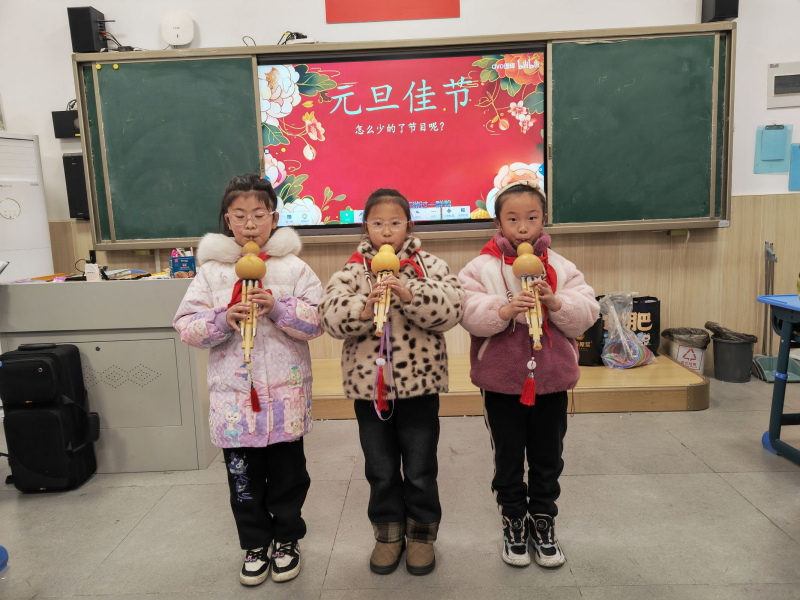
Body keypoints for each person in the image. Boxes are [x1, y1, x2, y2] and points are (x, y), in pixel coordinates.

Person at [173, 174, 323, 586]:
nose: (250, 223)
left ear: (274, 218)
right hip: (234, 404)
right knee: (243, 481)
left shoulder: (294, 267)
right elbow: (186, 327)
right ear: (228, 220)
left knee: (290, 478)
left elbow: (317, 322)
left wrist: (278, 307)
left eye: (259, 214)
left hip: (285, 401)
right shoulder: (211, 273)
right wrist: (223, 319)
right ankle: (255, 544)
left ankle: (287, 540)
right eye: (240, 216)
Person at [318, 189, 464, 575]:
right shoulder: (353, 270)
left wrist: (411, 294)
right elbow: (327, 314)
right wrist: (362, 309)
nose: (386, 231)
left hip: (420, 387)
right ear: (365, 227)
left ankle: (421, 536)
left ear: (409, 227)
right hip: (370, 388)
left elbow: (454, 307)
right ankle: (387, 535)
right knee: (380, 468)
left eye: (395, 223)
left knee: (420, 466)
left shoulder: (429, 265)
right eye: (378, 223)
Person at [458, 180, 599, 568]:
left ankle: (543, 520)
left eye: (531, 218)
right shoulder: (481, 267)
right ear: (498, 223)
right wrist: (504, 310)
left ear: (544, 219)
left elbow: (587, 312)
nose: (522, 228)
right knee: (507, 457)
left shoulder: (561, 266)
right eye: (513, 219)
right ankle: (513, 521)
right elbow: (466, 312)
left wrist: (557, 303)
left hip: (552, 380)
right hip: (501, 382)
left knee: (548, 455)